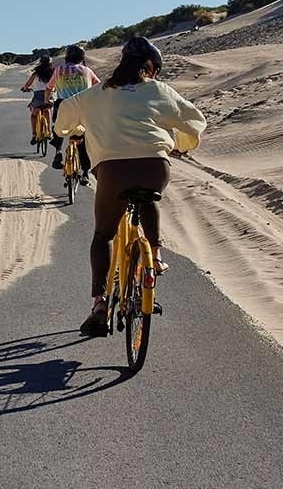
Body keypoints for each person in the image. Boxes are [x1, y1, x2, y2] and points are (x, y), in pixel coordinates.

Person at [51, 35, 206, 337]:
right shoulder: (161, 90)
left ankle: (99, 306)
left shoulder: (97, 93)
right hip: (155, 168)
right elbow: (194, 119)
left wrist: (73, 129)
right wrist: (179, 144)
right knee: (149, 197)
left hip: (112, 171)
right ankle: (156, 256)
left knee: (103, 235)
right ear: (152, 67)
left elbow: (64, 118)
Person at [46, 44, 100, 177]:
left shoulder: (59, 70)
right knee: (83, 136)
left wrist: (48, 100)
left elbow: (49, 87)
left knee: (58, 128)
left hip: (63, 104)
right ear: (82, 57)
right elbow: (99, 87)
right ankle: (86, 172)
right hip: (83, 106)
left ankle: (58, 152)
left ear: (67, 57)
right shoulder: (87, 71)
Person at [20, 55, 54, 145]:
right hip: (49, 96)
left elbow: (28, 84)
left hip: (38, 97)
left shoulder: (35, 74)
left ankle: (34, 135)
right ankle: (49, 132)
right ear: (50, 64)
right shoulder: (53, 73)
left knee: (34, 115)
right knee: (47, 111)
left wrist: (25, 88)